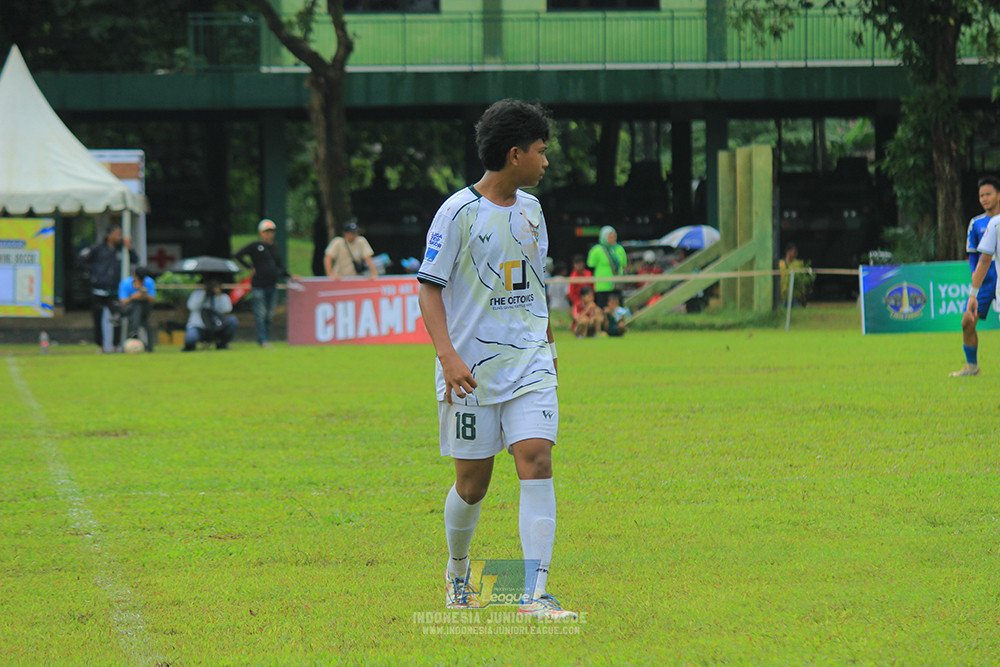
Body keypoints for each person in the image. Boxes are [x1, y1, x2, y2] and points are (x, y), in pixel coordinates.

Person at [416, 98, 576, 620]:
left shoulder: (532, 210)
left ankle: (534, 594)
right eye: (541, 150)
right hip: (471, 372)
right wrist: (448, 358)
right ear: (514, 155)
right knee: (472, 483)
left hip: (529, 362)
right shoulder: (456, 212)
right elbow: (429, 289)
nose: (545, 161)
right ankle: (458, 572)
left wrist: (547, 340)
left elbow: (533, 280)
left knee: (537, 458)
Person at [952, 175, 1000, 376]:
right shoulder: (977, 224)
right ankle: (972, 367)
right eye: (981, 195)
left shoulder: (996, 222)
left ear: (998, 195)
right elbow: (977, 258)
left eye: (988, 194)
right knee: (967, 321)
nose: (984, 198)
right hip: (986, 281)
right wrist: (974, 283)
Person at [78, 224, 137, 352]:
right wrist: (94, 273)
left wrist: (129, 248)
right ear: (108, 235)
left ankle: (116, 346)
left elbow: (135, 260)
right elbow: (81, 259)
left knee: (117, 317)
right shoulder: (97, 249)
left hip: (114, 290)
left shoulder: (122, 250)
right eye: (116, 234)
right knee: (97, 319)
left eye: (120, 234)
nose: (119, 237)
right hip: (97, 290)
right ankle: (101, 346)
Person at [233, 219, 291, 347]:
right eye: (266, 232)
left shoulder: (274, 246)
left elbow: (279, 265)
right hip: (259, 285)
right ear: (261, 233)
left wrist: (289, 276)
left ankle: (266, 337)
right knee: (261, 313)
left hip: (272, 285)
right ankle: (263, 339)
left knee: (269, 315)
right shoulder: (255, 246)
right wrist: (250, 267)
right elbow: (238, 255)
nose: (269, 234)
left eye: (271, 232)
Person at [182, 277, 238, 351]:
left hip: (216, 326)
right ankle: (190, 347)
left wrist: (218, 294)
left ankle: (222, 344)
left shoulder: (222, 296)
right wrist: (204, 292)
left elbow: (227, 309)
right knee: (190, 339)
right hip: (199, 326)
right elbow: (191, 306)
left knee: (233, 320)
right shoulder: (197, 294)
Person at [586, 225, 627, 308]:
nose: (613, 238)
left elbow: (624, 265)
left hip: (617, 284)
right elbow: (590, 264)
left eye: (614, 236)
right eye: (610, 236)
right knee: (603, 308)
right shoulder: (596, 250)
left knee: (618, 307)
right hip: (603, 285)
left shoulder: (620, 249)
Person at [118, 266, 156, 351]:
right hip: (129, 309)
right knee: (136, 305)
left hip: (144, 310)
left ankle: (133, 331)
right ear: (134, 276)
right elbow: (123, 302)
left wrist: (144, 294)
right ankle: (135, 330)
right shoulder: (126, 283)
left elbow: (152, 301)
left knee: (138, 308)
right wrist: (133, 297)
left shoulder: (149, 282)